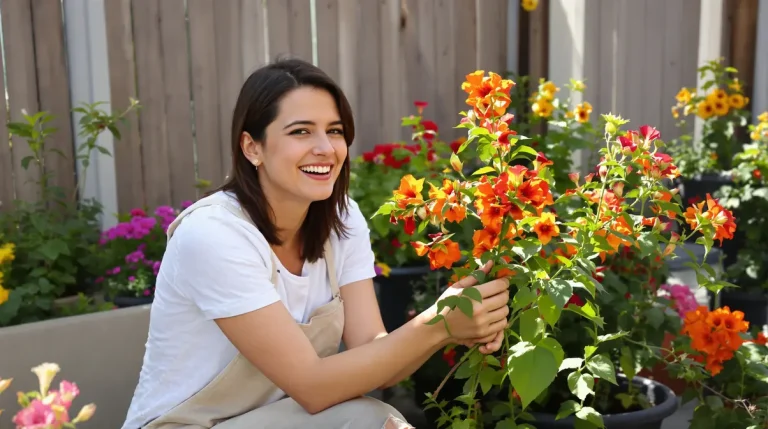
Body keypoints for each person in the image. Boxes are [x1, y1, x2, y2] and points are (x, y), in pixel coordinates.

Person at [121, 58, 511, 429]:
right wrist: (438, 325)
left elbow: (370, 349)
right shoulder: (213, 235)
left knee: (374, 416)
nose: (325, 148)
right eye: (301, 131)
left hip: (280, 418)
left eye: (335, 130)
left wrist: (463, 319)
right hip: (189, 424)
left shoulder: (341, 221)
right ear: (251, 147)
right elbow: (311, 386)